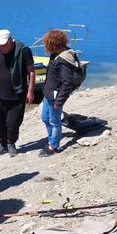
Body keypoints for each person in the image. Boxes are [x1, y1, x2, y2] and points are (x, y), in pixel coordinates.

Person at [0, 29, 35, 158]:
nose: (1, 47)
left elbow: (31, 72)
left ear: (10, 40)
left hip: (17, 94)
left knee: (13, 123)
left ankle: (11, 143)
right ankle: (2, 144)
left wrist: (30, 91)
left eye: (3, 44)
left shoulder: (23, 51)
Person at [39, 29, 78, 157]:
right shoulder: (56, 54)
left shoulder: (64, 60)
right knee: (45, 118)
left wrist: (59, 101)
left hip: (55, 96)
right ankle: (52, 140)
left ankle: (53, 146)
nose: (46, 47)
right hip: (48, 93)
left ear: (54, 44)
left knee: (55, 121)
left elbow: (67, 83)